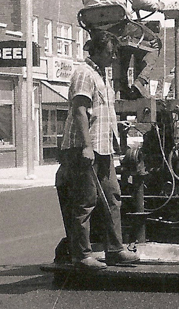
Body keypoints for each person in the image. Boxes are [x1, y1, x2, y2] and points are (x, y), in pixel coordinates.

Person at [56, 32, 139, 271]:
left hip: (103, 149)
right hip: (86, 149)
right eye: (111, 52)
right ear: (98, 51)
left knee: (112, 196)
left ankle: (115, 250)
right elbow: (80, 110)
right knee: (85, 202)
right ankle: (81, 255)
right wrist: (86, 146)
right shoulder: (84, 74)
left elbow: (101, 113)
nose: (114, 57)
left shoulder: (101, 76)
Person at [80, 0, 163, 100]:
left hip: (98, 32)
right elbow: (140, 1)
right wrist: (157, 6)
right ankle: (140, 82)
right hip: (120, 27)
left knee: (122, 45)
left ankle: (121, 87)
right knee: (154, 42)